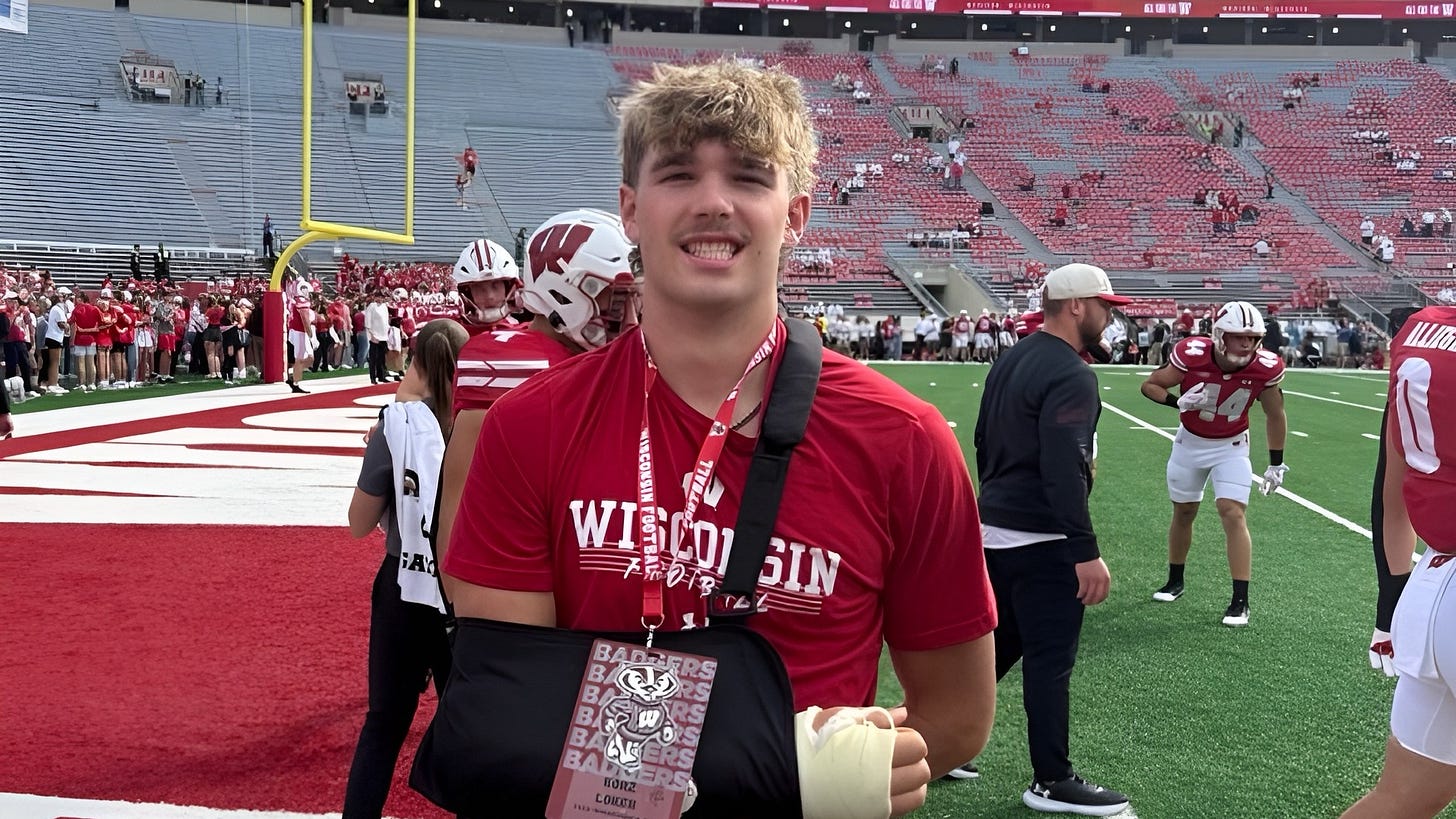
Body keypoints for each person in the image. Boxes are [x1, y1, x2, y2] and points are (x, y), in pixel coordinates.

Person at [440, 60, 997, 815]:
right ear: (631, 211)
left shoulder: (904, 439)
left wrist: (837, 765)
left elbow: (958, 718)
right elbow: (508, 718)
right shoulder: (528, 425)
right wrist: (772, 767)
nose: (712, 203)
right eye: (677, 175)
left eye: (748, 177)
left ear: (795, 213)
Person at [967, 262, 1131, 816]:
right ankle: (1051, 779)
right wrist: (1083, 550)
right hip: (1042, 536)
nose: (1110, 318)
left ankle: (944, 743)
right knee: (1048, 659)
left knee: (1002, 645)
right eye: (1105, 306)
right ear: (1077, 305)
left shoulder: (1012, 357)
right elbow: (1066, 467)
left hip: (995, 525)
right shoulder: (1072, 373)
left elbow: (982, 438)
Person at [434, 208, 641, 570]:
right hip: (528, 576)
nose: (632, 317)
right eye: (618, 298)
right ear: (567, 291)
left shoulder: (606, 358)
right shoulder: (508, 364)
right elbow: (460, 501)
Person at [343, 319, 469, 819]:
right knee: (469, 723)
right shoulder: (487, 420)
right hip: (464, 592)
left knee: (384, 724)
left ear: (414, 361)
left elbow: (358, 523)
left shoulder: (393, 426)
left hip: (402, 586)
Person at [1342, 299, 1456, 819]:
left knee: (1398, 802)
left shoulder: (1419, 332)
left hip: (1431, 588)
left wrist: (1391, 601)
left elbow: (1391, 494)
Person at [1139, 301, 1288, 627]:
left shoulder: (1265, 367)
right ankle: (1175, 580)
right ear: (1220, 335)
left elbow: (1275, 414)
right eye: (1238, 337)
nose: (1246, 344)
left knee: (1232, 512)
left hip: (1232, 445)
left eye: (1252, 338)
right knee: (1184, 511)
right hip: (1190, 442)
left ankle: (1240, 600)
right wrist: (1177, 402)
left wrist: (1276, 463)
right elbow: (1150, 385)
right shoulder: (1192, 354)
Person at [451, 238, 520, 336]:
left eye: (495, 285)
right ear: (467, 294)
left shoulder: (528, 334)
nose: (490, 296)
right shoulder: (453, 337)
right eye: (479, 288)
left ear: (508, 287)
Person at [287, 282, 317, 394]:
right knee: (299, 359)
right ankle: (295, 383)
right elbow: (304, 318)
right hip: (300, 332)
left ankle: (293, 374)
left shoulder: (296, 300)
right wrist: (310, 334)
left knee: (310, 358)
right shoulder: (302, 301)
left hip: (297, 331)